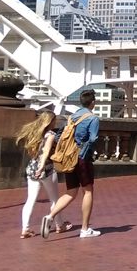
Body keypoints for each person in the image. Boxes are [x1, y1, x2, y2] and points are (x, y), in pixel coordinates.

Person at [42, 91, 102, 238]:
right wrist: (85, 152)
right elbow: (93, 139)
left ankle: (50, 216)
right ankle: (85, 229)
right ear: (92, 102)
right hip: (82, 158)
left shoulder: (72, 117)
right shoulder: (93, 118)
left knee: (71, 192)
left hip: (68, 158)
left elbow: (58, 135)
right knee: (87, 191)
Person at [17, 110, 69, 239]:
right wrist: (42, 166)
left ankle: (25, 229)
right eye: (54, 121)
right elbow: (46, 152)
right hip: (47, 168)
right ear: (50, 121)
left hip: (32, 168)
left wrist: (37, 165)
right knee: (55, 199)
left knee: (30, 200)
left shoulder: (33, 133)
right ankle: (59, 224)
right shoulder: (50, 134)